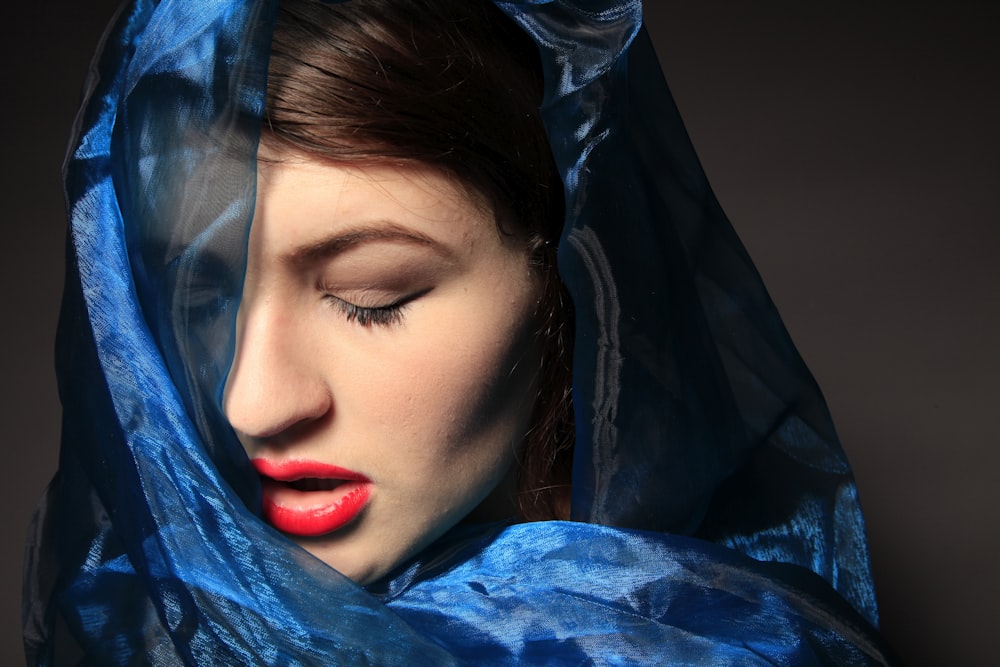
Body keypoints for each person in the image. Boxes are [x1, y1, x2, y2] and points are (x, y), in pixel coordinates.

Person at [23, 0, 897, 663]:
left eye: (373, 295)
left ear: (566, 279)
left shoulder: (711, 643)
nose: (253, 400)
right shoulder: (136, 614)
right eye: (202, 295)